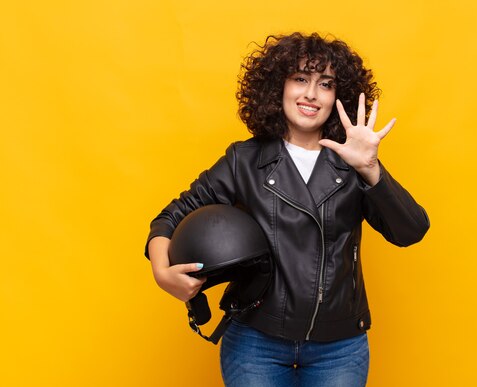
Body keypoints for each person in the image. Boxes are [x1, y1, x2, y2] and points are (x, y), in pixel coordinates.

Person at [145, 32, 430, 387]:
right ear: (277, 87)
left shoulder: (355, 161)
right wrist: (162, 272)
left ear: (337, 98)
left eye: (325, 84)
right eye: (300, 79)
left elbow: (411, 231)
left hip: (339, 346)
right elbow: (169, 217)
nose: (311, 93)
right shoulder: (243, 160)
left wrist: (370, 168)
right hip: (255, 341)